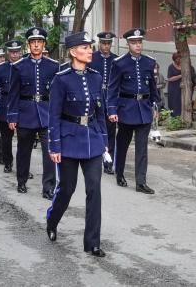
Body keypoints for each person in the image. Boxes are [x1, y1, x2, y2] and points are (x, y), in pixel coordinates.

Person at [46, 31, 107, 257]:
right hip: (68, 140)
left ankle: (93, 243)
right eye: (85, 47)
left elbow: (101, 111)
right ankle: (52, 221)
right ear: (73, 52)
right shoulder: (61, 79)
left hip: (92, 140)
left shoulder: (96, 77)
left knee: (94, 190)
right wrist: (54, 146)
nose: (90, 50)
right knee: (67, 189)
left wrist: (104, 139)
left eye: (90, 47)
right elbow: (53, 116)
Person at [7, 26, 59, 199]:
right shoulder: (18, 66)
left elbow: (58, 93)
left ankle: (48, 187)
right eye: (33, 42)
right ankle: (21, 180)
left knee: (49, 151)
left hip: (46, 113)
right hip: (25, 113)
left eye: (39, 42)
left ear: (44, 44)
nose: (36, 45)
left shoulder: (53, 66)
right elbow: (13, 93)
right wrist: (12, 116)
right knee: (24, 150)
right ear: (28, 45)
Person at [107, 28, 160, 194]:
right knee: (122, 145)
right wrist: (112, 110)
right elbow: (112, 88)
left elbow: (152, 87)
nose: (137, 45)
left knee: (142, 148)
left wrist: (155, 105)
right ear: (128, 44)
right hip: (126, 110)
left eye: (139, 42)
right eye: (134, 42)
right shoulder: (119, 63)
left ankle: (141, 182)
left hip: (144, 109)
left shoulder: (149, 62)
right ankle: (120, 174)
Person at [0, 40, 23, 173]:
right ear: (8, 53)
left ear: (20, 52)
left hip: (23, 106)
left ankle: (22, 166)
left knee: (24, 140)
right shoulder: (0, 68)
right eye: (12, 52)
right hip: (6, 105)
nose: (14, 55)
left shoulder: (26, 66)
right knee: (6, 138)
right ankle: (8, 162)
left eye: (17, 52)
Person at [87, 31, 118, 175]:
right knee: (96, 129)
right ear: (99, 43)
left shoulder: (116, 60)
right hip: (96, 97)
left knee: (110, 131)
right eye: (104, 43)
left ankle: (108, 161)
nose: (106, 46)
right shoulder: (91, 58)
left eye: (108, 43)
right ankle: (94, 155)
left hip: (111, 98)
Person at [167, 52, 183, 117]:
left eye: (179, 58)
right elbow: (169, 79)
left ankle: (180, 117)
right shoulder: (171, 67)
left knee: (180, 103)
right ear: (174, 59)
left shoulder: (183, 66)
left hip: (181, 87)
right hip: (173, 88)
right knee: (174, 103)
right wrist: (180, 76)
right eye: (177, 58)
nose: (178, 60)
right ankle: (174, 117)